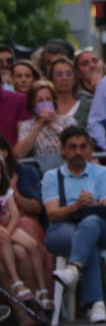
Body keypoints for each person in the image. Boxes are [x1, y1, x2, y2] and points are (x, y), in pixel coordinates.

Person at [44, 126, 106, 323]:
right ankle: (96, 303)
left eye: (82, 147)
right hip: (62, 228)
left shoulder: (102, 173)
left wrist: (92, 205)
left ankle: (75, 270)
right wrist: (76, 206)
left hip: (103, 227)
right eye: (72, 147)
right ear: (62, 150)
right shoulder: (52, 177)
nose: (78, 152)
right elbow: (52, 214)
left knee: (91, 224)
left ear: (89, 149)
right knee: (88, 242)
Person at [0, 134, 49, 313]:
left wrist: (8, 231)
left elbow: (21, 212)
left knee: (25, 249)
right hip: (3, 233)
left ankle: (42, 293)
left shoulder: (13, 183)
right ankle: (17, 287)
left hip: (9, 229)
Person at [15, 79, 67, 167]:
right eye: (40, 101)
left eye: (48, 99)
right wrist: (39, 125)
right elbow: (19, 154)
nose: (45, 103)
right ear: (33, 104)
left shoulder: (67, 120)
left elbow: (73, 141)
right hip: (41, 171)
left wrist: (54, 125)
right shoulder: (26, 126)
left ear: (54, 101)